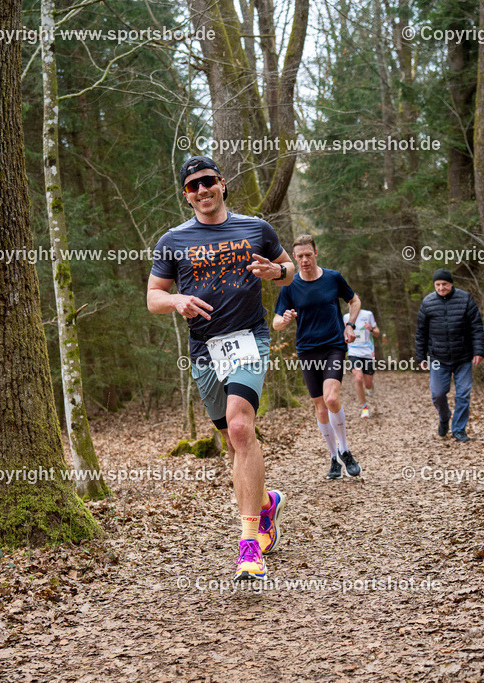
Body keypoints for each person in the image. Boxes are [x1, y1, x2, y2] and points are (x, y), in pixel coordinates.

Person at [147, 156, 295, 581]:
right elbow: (154, 296)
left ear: (222, 184)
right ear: (186, 194)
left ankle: (250, 546)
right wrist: (175, 300)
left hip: (249, 339)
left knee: (241, 428)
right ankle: (266, 503)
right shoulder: (172, 240)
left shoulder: (256, 228)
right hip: (204, 349)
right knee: (230, 439)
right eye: (193, 186)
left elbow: (286, 273)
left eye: (208, 181)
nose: (202, 190)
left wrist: (276, 270)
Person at [273, 235, 362, 480]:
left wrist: (350, 325)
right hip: (307, 350)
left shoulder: (333, 278)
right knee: (320, 407)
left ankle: (345, 450)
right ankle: (333, 458)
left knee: (332, 398)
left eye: (308, 255)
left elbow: (354, 301)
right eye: (299, 256)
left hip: (333, 346)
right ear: (295, 258)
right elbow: (276, 322)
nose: (304, 260)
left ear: (316, 254)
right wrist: (285, 319)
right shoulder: (290, 285)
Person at [414, 268, 484, 442]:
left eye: (444, 284)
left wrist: (478, 351)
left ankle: (459, 429)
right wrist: (421, 357)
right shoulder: (428, 302)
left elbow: (476, 327)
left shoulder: (465, 299)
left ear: (451, 283)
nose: (441, 288)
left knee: (463, 394)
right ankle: (444, 417)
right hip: (438, 358)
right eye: (437, 285)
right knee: (437, 394)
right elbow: (421, 332)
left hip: (463, 356)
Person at [343, 308, 380, 418]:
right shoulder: (345, 317)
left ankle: (371, 387)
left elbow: (377, 333)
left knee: (367, 384)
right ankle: (364, 408)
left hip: (367, 352)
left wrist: (372, 329)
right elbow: (343, 336)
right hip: (353, 352)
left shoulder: (368, 314)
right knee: (358, 378)